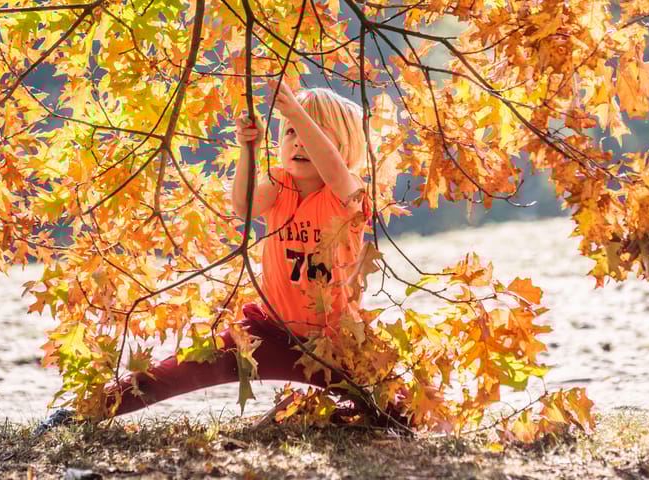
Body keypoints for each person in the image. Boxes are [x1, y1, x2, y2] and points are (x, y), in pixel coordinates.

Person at [35, 78, 404, 435]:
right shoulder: (278, 184)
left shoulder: (349, 195)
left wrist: (295, 110)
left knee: (398, 413)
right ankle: (85, 411)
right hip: (268, 331)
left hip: (333, 340)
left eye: (311, 132)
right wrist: (248, 149)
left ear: (342, 145)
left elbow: (336, 172)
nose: (299, 142)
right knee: (178, 370)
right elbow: (243, 205)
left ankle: (303, 415)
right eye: (290, 132)